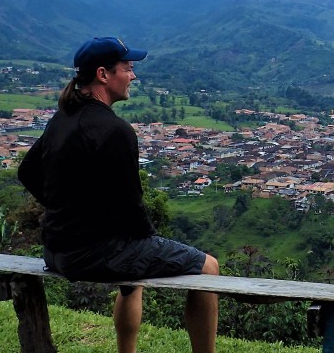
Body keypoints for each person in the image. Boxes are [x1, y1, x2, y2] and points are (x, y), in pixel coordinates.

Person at [18, 37, 219, 353]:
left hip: (55, 251)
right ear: (103, 74)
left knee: (133, 273)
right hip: (90, 255)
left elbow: (27, 172)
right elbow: (131, 205)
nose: (133, 76)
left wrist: (64, 209)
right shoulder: (115, 130)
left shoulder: (62, 118)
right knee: (209, 267)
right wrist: (147, 240)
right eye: (127, 68)